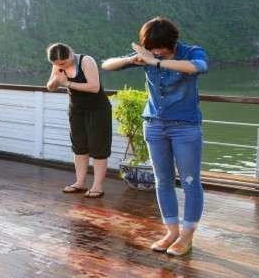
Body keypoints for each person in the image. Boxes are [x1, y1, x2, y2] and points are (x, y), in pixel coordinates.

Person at [101, 16, 208, 256]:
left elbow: (198, 67)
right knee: (163, 180)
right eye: (151, 48)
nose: (156, 52)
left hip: (185, 126)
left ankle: (187, 236)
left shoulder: (191, 52)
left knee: (190, 181)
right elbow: (107, 65)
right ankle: (171, 232)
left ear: (172, 42)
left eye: (160, 47)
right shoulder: (148, 54)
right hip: (154, 125)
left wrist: (157, 63)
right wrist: (133, 59)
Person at [46, 43, 112, 198]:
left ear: (69, 54)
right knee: (79, 147)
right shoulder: (58, 64)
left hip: (97, 110)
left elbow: (94, 87)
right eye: (56, 65)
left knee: (98, 148)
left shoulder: (86, 61)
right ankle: (80, 183)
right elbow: (50, 87)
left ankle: (98, 186)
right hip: (76, 110)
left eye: (62, 63)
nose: (60, 66)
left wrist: (67, 83)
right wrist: (56, 81)